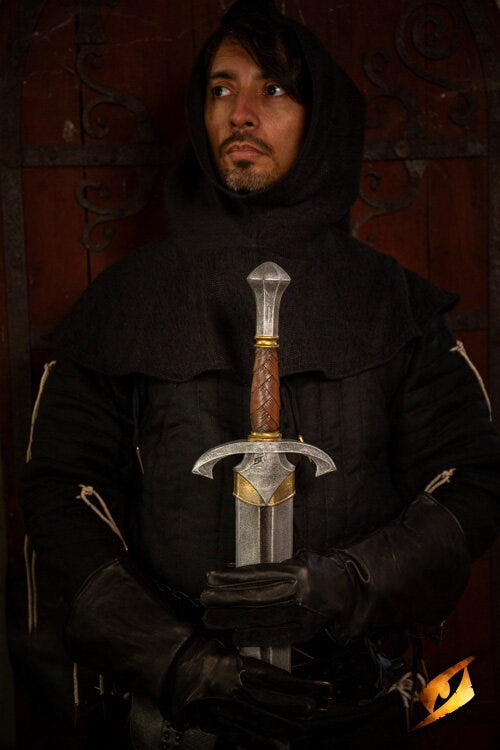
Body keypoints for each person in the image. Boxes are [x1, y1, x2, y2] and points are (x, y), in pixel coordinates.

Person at [17, 0, 500, 748]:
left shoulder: (392, 302)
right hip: (176, 715)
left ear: (319, 117)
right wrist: (177, 663)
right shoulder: (121, 304)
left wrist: (350, 581)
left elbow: (473, 482)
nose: (240, 112)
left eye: (272, 88)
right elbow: (58, 498)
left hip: (355, 701)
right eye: (221, 88)